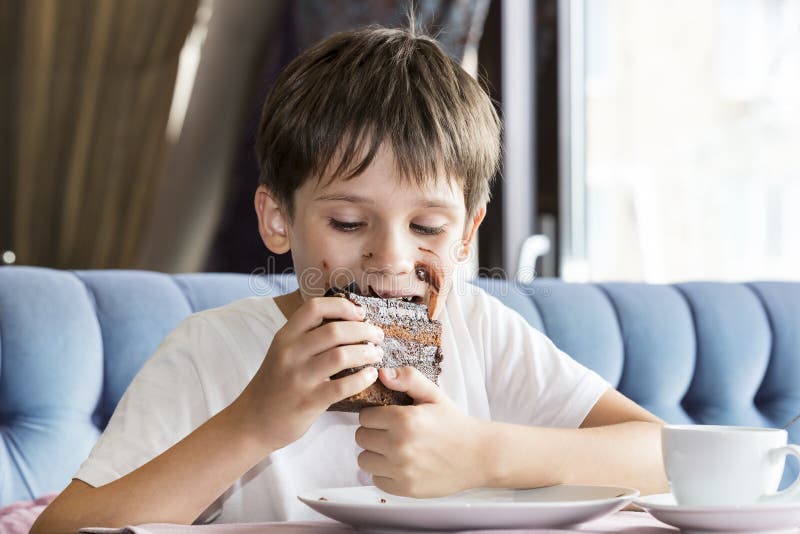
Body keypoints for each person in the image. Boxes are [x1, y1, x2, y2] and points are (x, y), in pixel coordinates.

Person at [32, 23, 668, 532]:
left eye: (427, 227)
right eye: (347, 222)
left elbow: (663, 456)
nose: (389, 259)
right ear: (278, 219)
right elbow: (62, 528)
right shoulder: (210, 353)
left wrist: (481, 454)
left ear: (468, 233)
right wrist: (253, 422)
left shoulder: (478, 330)